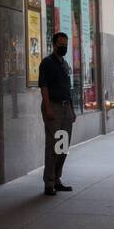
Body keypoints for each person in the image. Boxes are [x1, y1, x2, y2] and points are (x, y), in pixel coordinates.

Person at [38, 31, 75, 196]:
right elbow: (44, 87)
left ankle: (57, 178)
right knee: (54, 145)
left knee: (63, 146)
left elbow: (68, 89)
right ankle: (49, 183)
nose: (64, 47)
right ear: (54, 45)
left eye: (66, 44)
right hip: (53, 107)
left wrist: (72, 110)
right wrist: (48, 108)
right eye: (61, 44)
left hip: (66, 108)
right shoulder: (47, 63)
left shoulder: (65, 64)